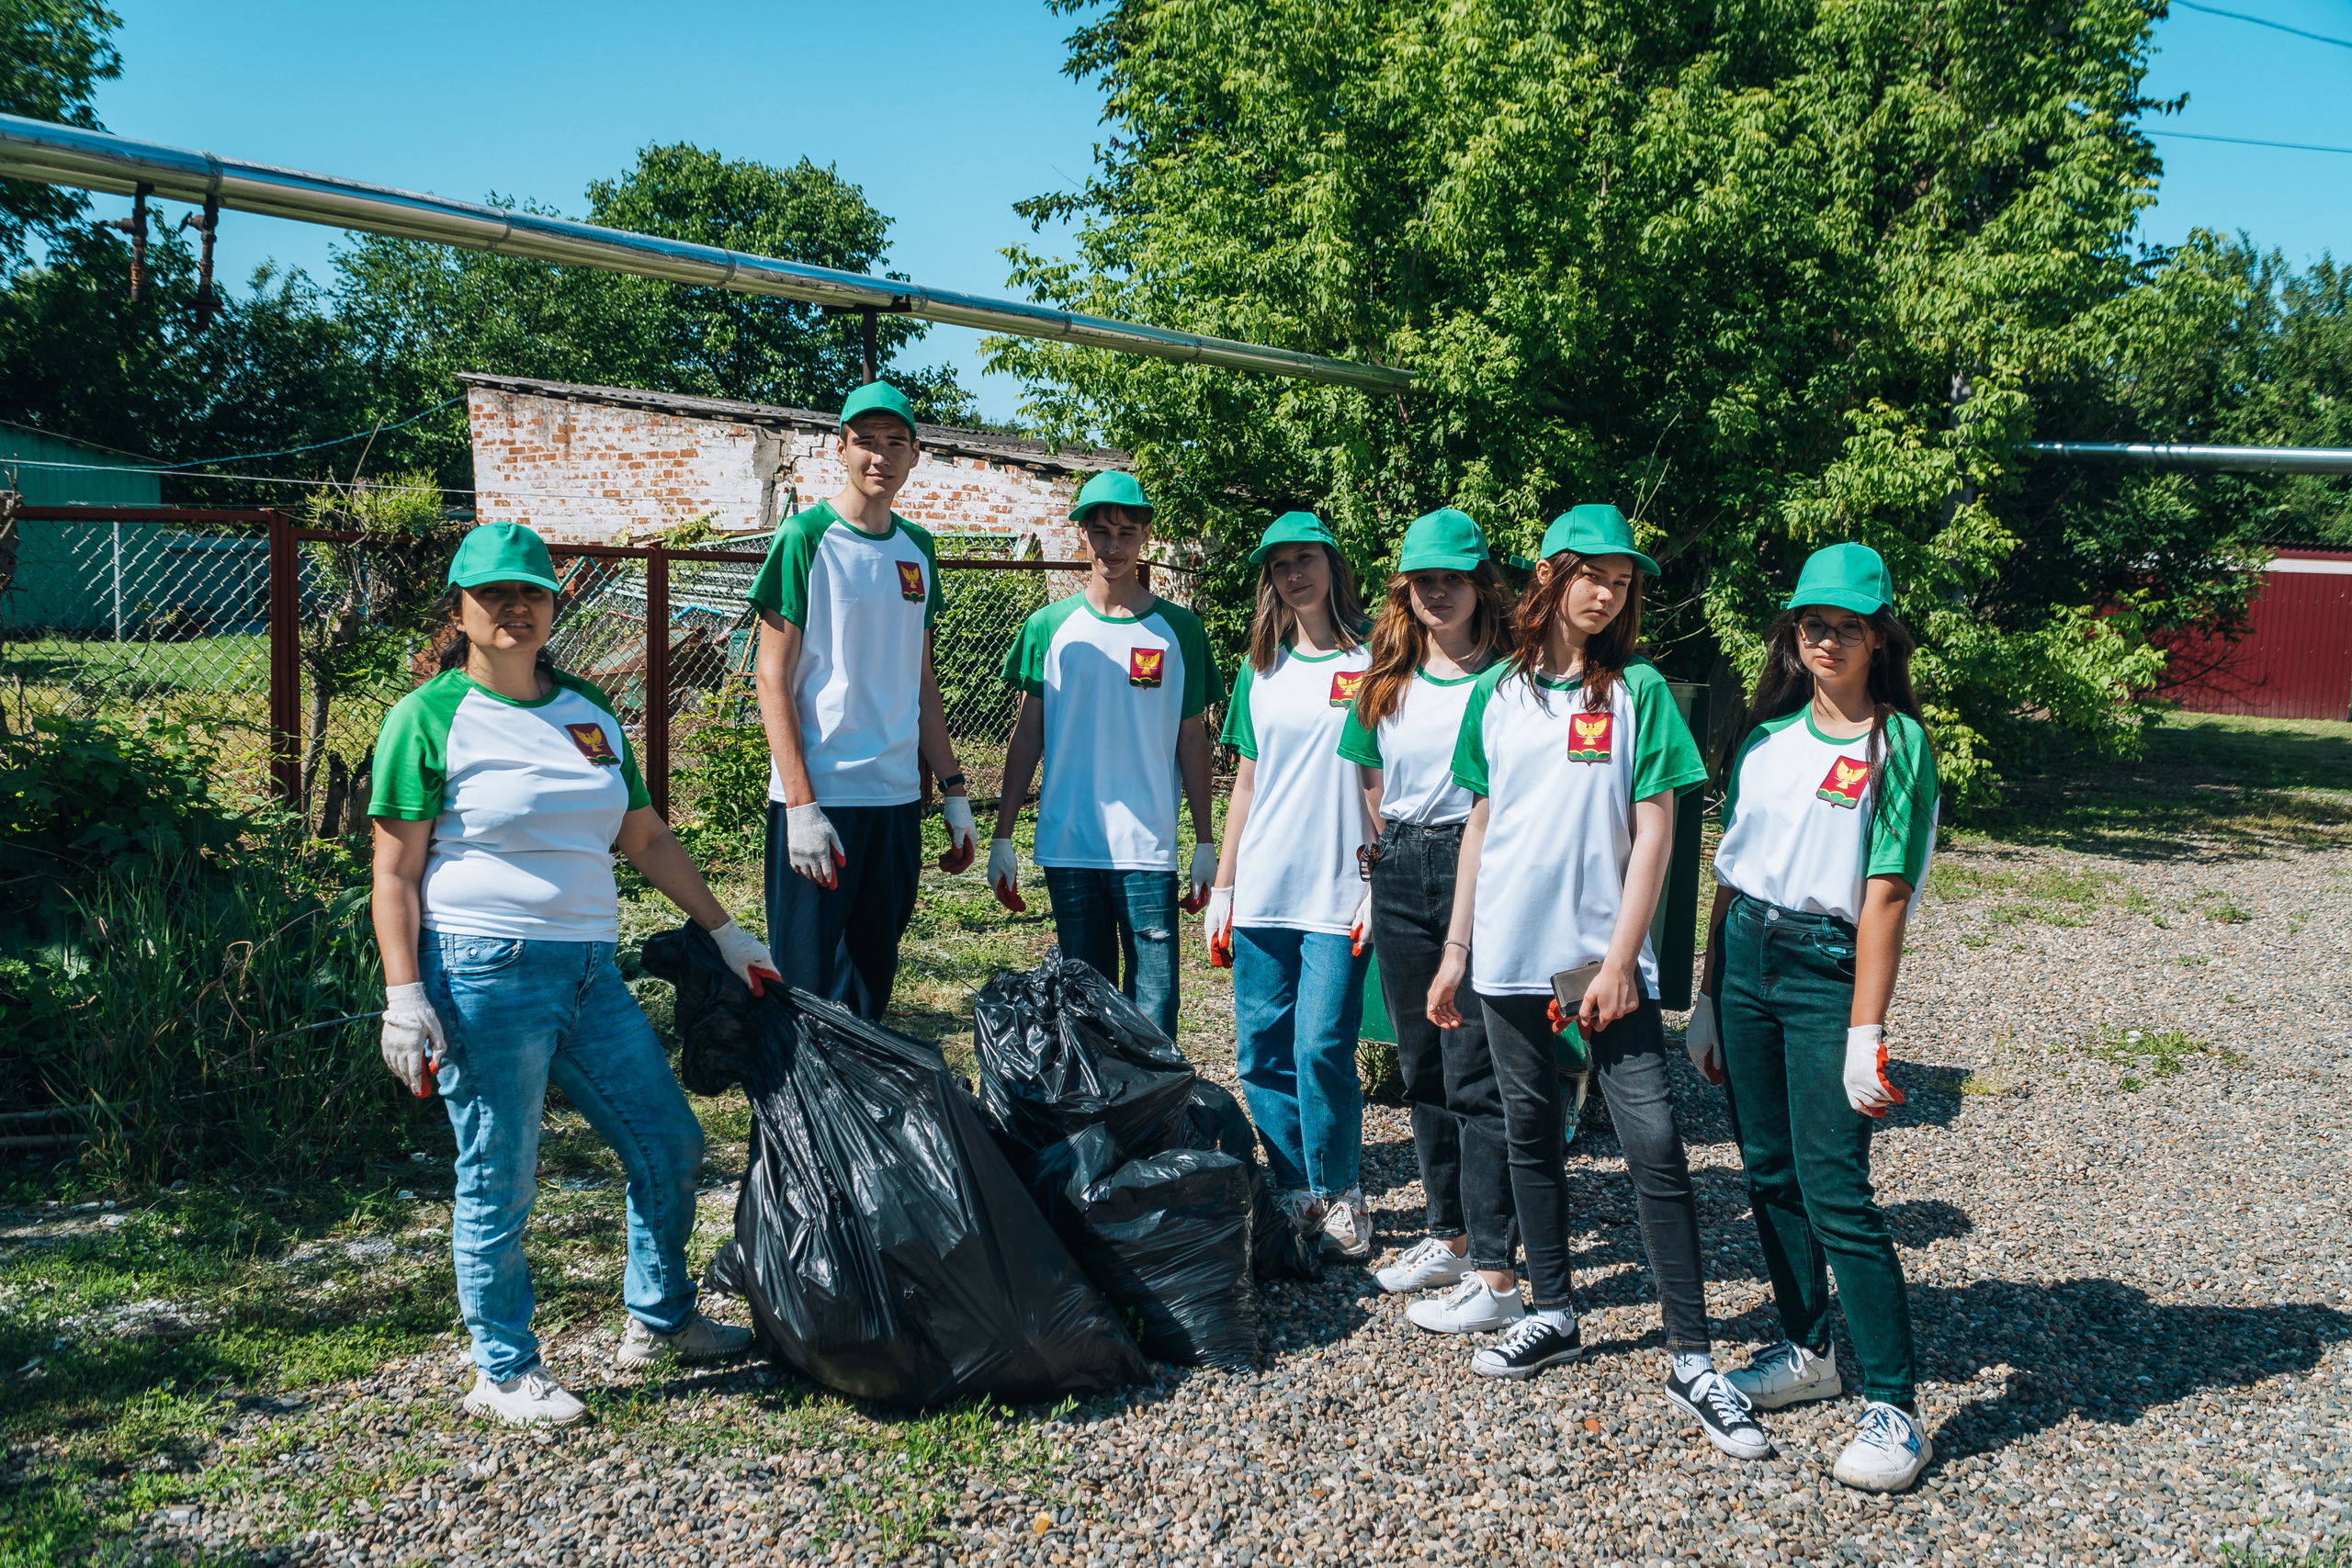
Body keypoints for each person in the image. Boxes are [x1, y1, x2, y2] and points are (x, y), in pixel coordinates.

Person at [370, 523, 778, 1427]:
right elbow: (394, 873)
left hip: (592, 973)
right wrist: (405, 997)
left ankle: (660, 1318)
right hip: (484, 974)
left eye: (532, 594)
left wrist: (727, 934)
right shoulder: (427, 718)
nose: (515, 609)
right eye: (493, 595)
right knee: (501, 1175)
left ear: (555, 605)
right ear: (460, 610)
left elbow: (643, 836)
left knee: (668, 1143)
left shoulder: (586, 711)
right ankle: (503, 1369)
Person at [1426, 503, 1770, 1461]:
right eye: (1594, 575)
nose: (1608, 593)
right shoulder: (1494, 692)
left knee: (1654, 1142)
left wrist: (1624, 960)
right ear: (1550, 575)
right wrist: (1456, 953)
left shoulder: (1638, 691)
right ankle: (1555, 1309)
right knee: (1528, 1136)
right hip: (1502, 956)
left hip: (1602, 966)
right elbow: (1480, 827)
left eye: (1621, 582)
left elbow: (1658, 827)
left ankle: (1692, 1355)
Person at [1688, 541, 1940, 1493]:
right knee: (1767, 1170)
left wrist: (1864, 1033)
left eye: (1843, 625)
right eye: (1810, 624)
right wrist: (1708, 996)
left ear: (1879, 636)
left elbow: (1882, 898)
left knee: (1838, 1189)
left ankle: (1895, 1406)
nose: (1824, 639)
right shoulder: (1763, 740)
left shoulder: (1896, 746)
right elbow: (1729, 872)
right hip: (1747, 956)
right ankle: (1805, 1349)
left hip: (1826, 971)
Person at [1338, 509, 1524, 1327]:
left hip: (1478, 863)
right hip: (1403, 865)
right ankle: (1445, 1234)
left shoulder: (1511, 678)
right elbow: (1370, 781)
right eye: (1423, 580)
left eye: (1453, 577)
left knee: (1475, 1063)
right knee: (1420, 1061)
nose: (1438, 592)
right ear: (1404, 591)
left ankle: (1493, 1261)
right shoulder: (1388, 680)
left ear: (1482, 585)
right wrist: (1377, 871)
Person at [749, 381, 978, 1021]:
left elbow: (921, 681)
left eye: (895, 443)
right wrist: (799, 804)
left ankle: (855, 1119)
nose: (880, 455)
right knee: (803, 990)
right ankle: (789, 1122)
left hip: (896, 801)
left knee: (871, 982)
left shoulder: (919, 550)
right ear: (840, 447)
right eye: (866, 442)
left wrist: (954, 789)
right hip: (822, 801)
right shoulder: (805, 538)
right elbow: (772, 676)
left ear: (914, 455)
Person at [989, 471, 1220, 1038]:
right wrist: (1002, 834)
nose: (1112, 546)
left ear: (1144, 535)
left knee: (1153, 1006)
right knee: (1084, 1001)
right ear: (1083, 536)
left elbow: (1193, 739)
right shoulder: (1049, 627)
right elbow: (1027, 734)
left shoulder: (1181, 631)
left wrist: (1206, 841)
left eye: (1124, 531)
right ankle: (1095, 1118)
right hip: (1071, 842)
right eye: (1099, 532)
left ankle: (1153, 1120)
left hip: (1148, 846)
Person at [1204, 512, 1375, 1261]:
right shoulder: (1260, 666)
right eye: (1279, 565)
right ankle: (1295, 1190)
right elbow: (1245, 781)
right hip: (1265, 888)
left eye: (1306, 559)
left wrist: (1379, 880)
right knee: (1259, 1051)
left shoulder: (1376, 659)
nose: (1293, 574)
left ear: (1334, 566)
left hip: (1340, 890)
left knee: (1321, 1047)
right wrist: (1224, 882)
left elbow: (1381, 781)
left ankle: (1344, 1194)